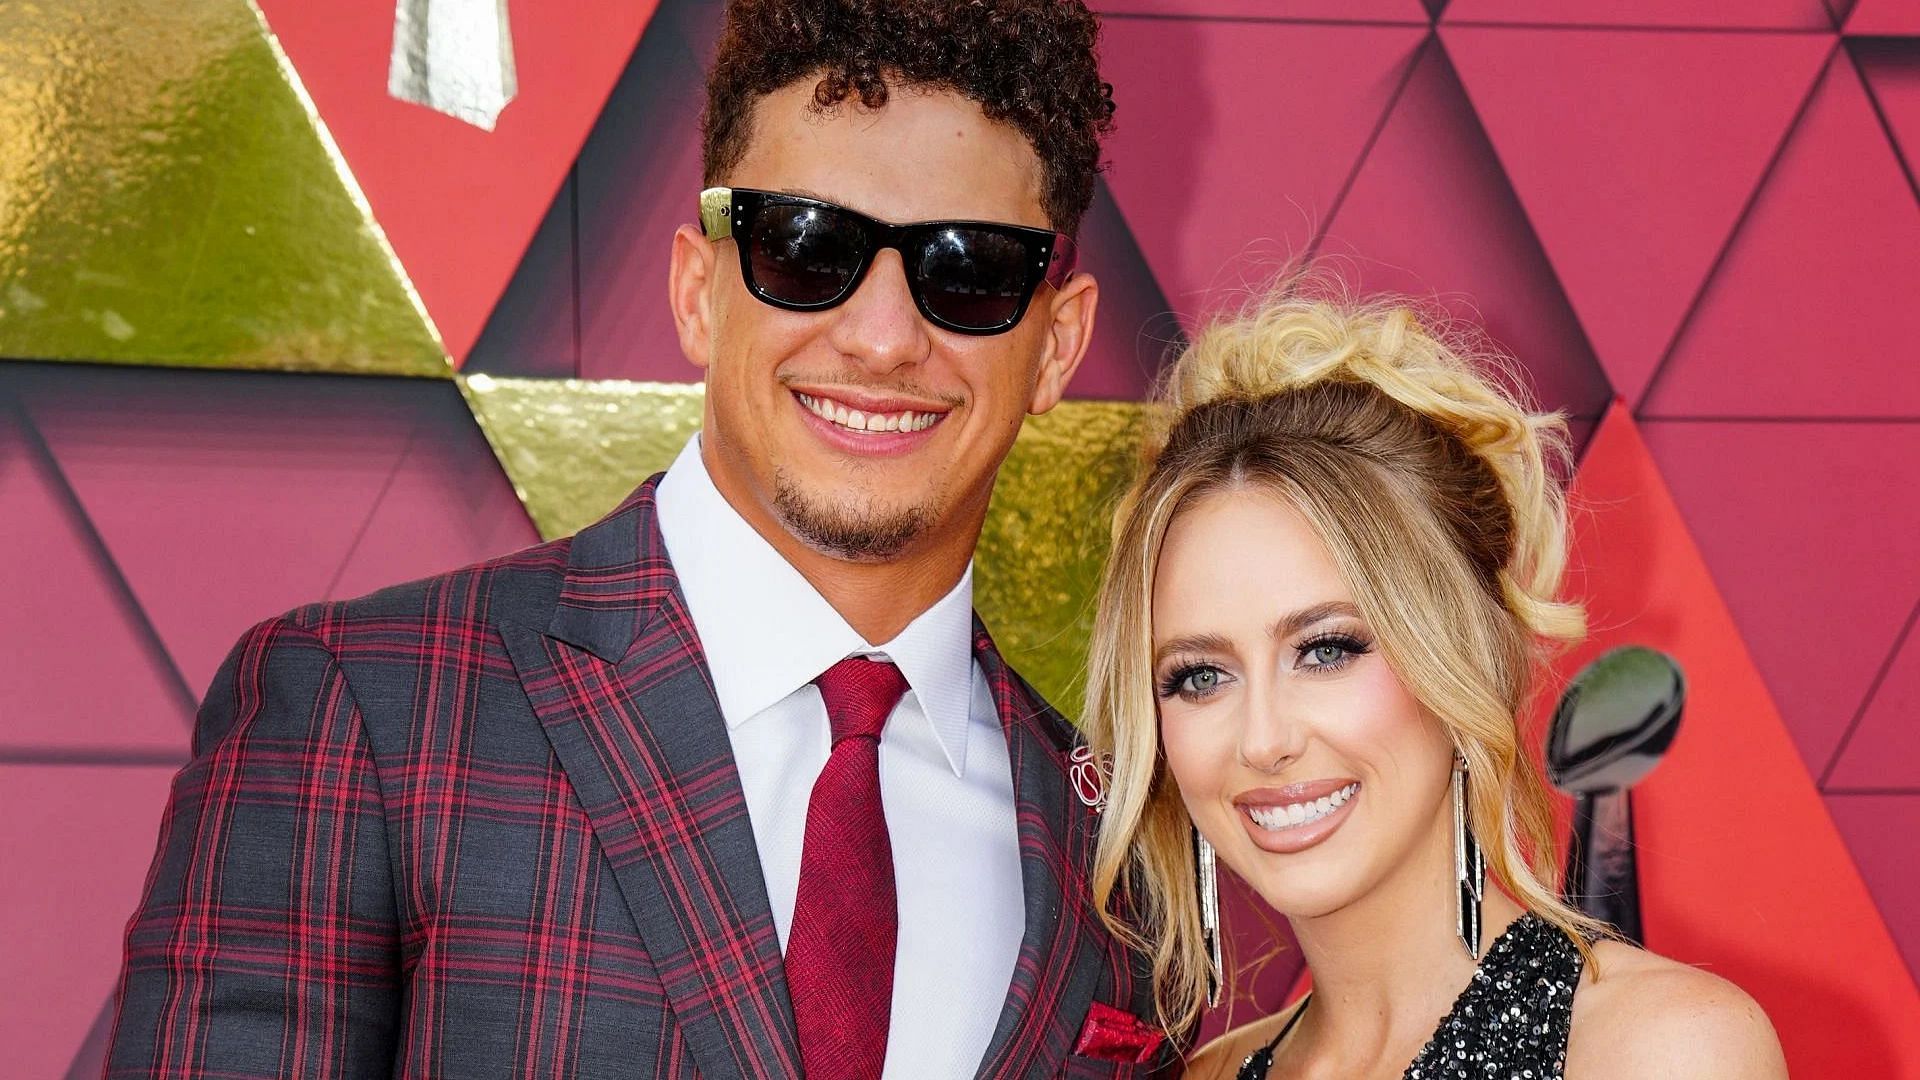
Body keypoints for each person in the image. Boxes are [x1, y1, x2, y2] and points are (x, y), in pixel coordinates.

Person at [106, 2, 1175, 1076]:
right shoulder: (364, 714)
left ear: (1057, 347)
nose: (884, 337)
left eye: (969, 270)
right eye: (807, 249)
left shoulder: (1117, 857)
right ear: (698, 291)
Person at [1079, 293, 1787, 1078]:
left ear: (1463, 658)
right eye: (1200, 675)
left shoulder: (1659, 1051)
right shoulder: (1203, 1075)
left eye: (1326, 650)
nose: (1263, 739)